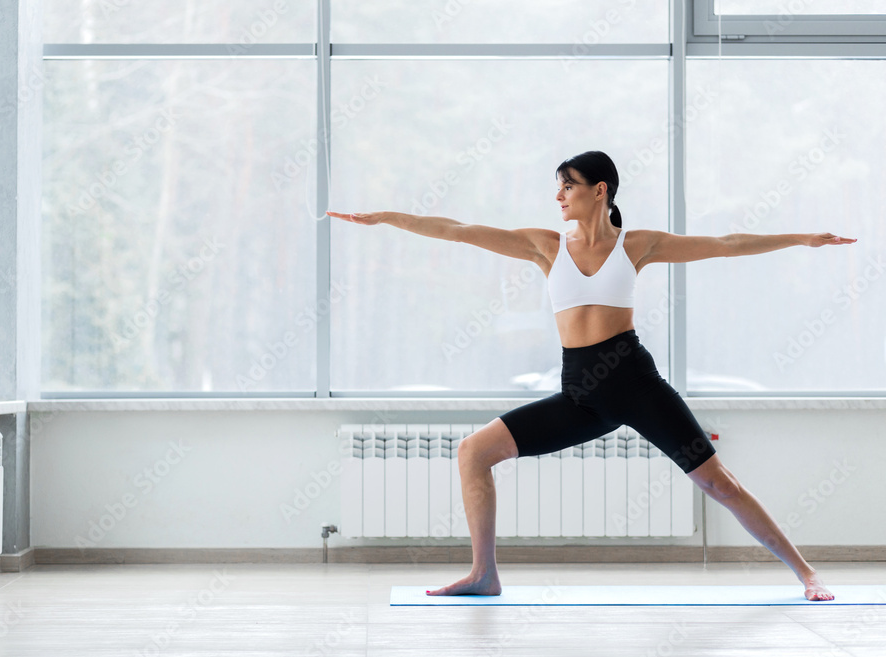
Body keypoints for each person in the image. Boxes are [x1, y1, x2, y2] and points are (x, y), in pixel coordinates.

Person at [327, 150, 857, 602]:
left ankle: (806, 573)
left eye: (568, 187)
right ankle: (484, 574)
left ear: (599, 190)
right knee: (473, 452)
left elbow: (727, 243)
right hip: (580, 395)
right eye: (557, 188)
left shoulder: (637, 245)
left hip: (637, 386)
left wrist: (803, 238)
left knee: (719, 483)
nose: (559, 196)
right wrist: (387, 218)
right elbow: (459, 231)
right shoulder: (546, 246)